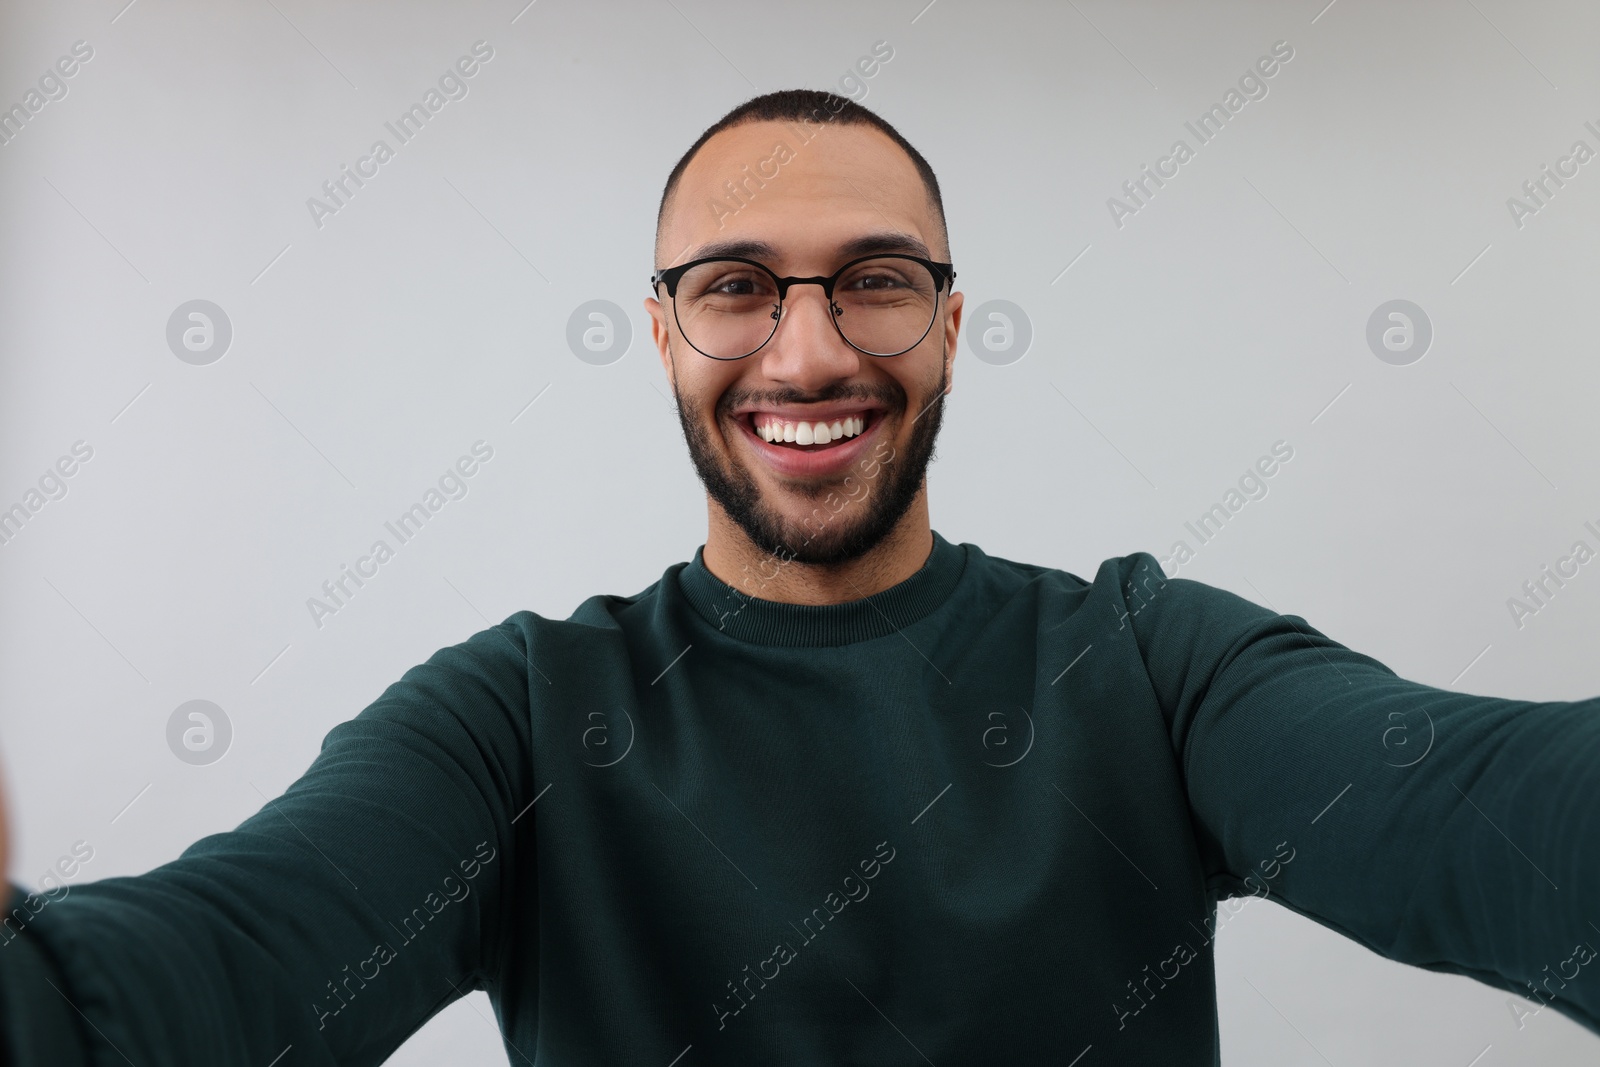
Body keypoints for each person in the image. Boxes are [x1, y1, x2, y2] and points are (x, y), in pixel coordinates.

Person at [2, 87, 1597, 1067]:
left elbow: (1481, 813)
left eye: (879, 284)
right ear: (662, 333)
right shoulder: (521, 718)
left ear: (953, 329)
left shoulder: (1148, 663)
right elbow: (225, 973)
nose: (813, 348)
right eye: (739, 288)